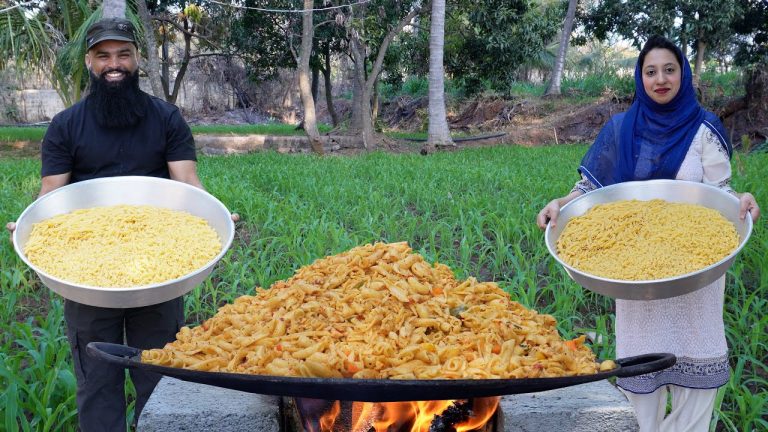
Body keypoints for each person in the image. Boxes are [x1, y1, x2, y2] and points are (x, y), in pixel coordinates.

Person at [5, 17, 236, 431]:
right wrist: (28, 224)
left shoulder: (166, 118)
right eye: (103, 55)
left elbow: (186, 182)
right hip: (86, 275)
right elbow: (52, 194)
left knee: (160, 373)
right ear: (90, 62)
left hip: (161, 270)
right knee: (97, 380)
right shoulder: (65, 125)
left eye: (123, 54)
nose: (115, 63)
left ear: (137, 59)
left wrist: (213, 213)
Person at [536, 35, 760, 432]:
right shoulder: (621, 128)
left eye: (669, 70)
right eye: (651, 71)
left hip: (697, 267)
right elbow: (591, 191)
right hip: (634, 272)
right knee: (641, 376)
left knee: (698, 364)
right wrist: (560, 204)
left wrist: (741, 198)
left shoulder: (705, 128)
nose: (661, 79)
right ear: (640, 78)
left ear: (683, 74)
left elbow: (720, 193)